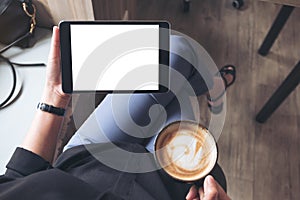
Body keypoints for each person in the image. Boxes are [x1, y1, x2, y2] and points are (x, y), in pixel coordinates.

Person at [0, 26, 234, 200]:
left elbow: (18, 175)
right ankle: (209, 88)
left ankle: (208, 88)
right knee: (212, 170)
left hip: (84, 161)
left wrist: (54, 97)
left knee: (177, 51)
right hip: (163, 192)